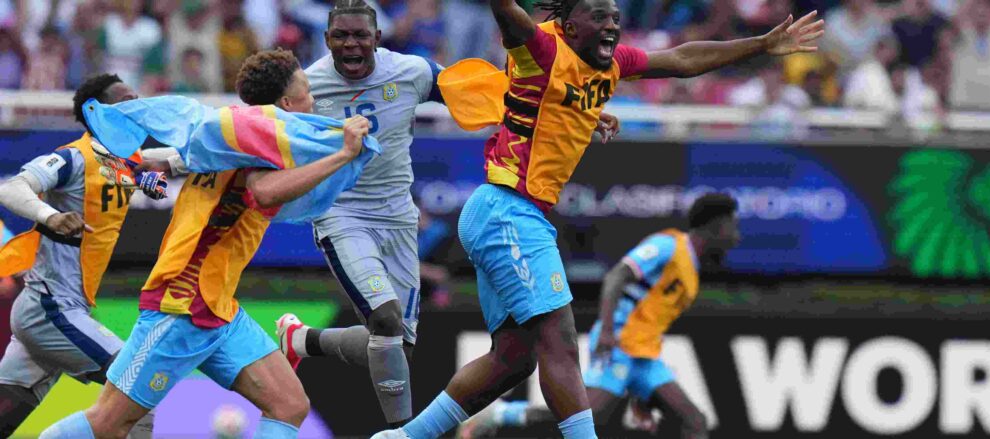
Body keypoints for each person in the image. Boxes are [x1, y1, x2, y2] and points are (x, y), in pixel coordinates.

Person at [372, 1, 822, 438]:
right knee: (560, 340)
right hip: (508, 211)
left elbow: (682, 59)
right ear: (568, 26)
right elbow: (507, 12)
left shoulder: (610, 63)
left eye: (616, 17)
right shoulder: (542, 50)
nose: (611, 24)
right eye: (598, 16)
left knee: (512, 360)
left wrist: (762, 43)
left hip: (507, 213)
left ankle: (405, 437)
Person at [275, 0, 620, 429]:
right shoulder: (307, 86)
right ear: (327, 40)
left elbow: (481, 91)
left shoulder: (410, 70)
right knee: (386, 320)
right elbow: (262, 126)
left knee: (396, 347)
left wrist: (571, 107)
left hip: (398, 216)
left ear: (378, 38)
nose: (351, 44)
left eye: (360, 35)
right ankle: (399, 435)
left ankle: (302, 340)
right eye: (341, 36)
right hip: (343, 214)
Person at [39, 49, 373, 439]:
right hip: (181, 304)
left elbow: (188, 158)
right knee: (108, 423)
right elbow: (264, 192)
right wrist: (344, 154)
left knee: (289, 405)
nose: (313, 100)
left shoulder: (233, 133)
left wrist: (163, 161)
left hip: (218, 307)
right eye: (307, 91)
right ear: (286, 103)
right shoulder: (260, 138)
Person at [458, 193, 741, 439]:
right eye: (733, 225)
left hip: (644, 355)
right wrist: (606, 331)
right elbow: (617, 276)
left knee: (694, 420)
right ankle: (501, 414)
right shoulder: (669, 246)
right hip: (618, 344)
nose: (736, 235)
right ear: (716, 225)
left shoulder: (692, 268)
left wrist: (643, 392)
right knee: (586, 417)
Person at [0, 74, 170, 438]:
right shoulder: (73, 157)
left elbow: (164, 159)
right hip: (51, 308)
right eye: (125, 100)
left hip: (60, 308)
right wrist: (51, 216)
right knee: (137, 385)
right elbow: (12, 188)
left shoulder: (123, 159)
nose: (135, 106)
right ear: (97, 113)